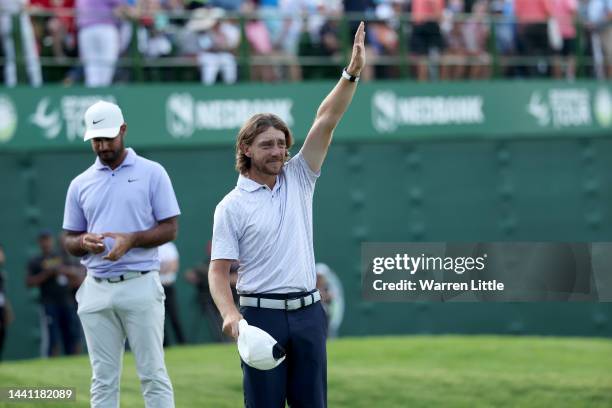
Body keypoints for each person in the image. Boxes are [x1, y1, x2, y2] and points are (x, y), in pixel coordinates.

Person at [209, 21, 366, 408]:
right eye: (267, 145)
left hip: (310, 313)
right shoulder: (231, 205)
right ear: (246, 149)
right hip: (261, 318)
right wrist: (231, 316)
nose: (278, 151)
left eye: (282, 144)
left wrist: (351, 73)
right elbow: (218, 271)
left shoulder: (299, 177)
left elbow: (326, 119)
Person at [62, 100, 179, 408]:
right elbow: (69, 240)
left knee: (152, 374)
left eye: (108, 138)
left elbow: (170, 229)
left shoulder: (153, 173)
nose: (102, 146)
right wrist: (83, 242)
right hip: (96, 288)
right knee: (102, 379)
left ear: (123, 131)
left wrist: (133, 240)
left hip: (140, 284)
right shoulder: (79, 184)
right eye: (96, 140)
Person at [26, 230, 81, 357]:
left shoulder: (61, 257)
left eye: (48, 240)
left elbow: (77, 274)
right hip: (48, 303)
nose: (46, 243)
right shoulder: (36, 261)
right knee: (52, 336)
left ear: (52, 241)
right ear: (39, 243)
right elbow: (29, 282)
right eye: (43, 240)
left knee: (71, 335)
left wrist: (62, 270)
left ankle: (73, 362)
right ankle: (50, 360)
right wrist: (47, 274)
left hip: (67, 302)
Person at [158, 241, 186, 346]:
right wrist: (164, 266)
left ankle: (182, 344)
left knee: (174, 317)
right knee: (160, 319)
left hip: (168, 287)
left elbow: (174, 266)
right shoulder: (151, 248)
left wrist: (161, 267)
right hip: (157, 287)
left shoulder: (170, 247)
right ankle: (164, 345)